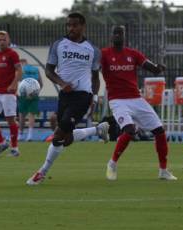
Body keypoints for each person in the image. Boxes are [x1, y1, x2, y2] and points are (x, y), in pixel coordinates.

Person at [26, 12, 109, 186]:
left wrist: (93, 97)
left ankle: (41, 172)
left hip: (82, 96)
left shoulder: (93, 50)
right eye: (68, 25)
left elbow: (95, 77)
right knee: (67, 138)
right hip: (65, 95)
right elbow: (49, 70)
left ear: (82, 26)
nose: (71, 28)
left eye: (74, 25)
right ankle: (98, 130)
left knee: (58, 135)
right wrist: (62, 83)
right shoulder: (58, 45)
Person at [101, 25, 177, 181]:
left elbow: (152, 69)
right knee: (129, 130)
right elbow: (93, 69)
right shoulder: (104, 54)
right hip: (117, 101)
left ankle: (163, 170)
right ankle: (112, 164)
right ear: (111, 36)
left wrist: (159, 68)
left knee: (160, 131)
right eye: (115, 33)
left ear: (124, 36)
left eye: (120, 33)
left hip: (136, 99)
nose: (117, 36)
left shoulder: (133, 54)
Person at [18, 59, 43, 141]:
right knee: (31, 114)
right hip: (34, 94)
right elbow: (41, 83)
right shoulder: (36, 69)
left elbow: (17, 80)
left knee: (22, 114)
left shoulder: (21, 69)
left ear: (21, 63)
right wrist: (36, 92)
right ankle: (30, 135)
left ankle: (20, 134)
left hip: (24, 94)